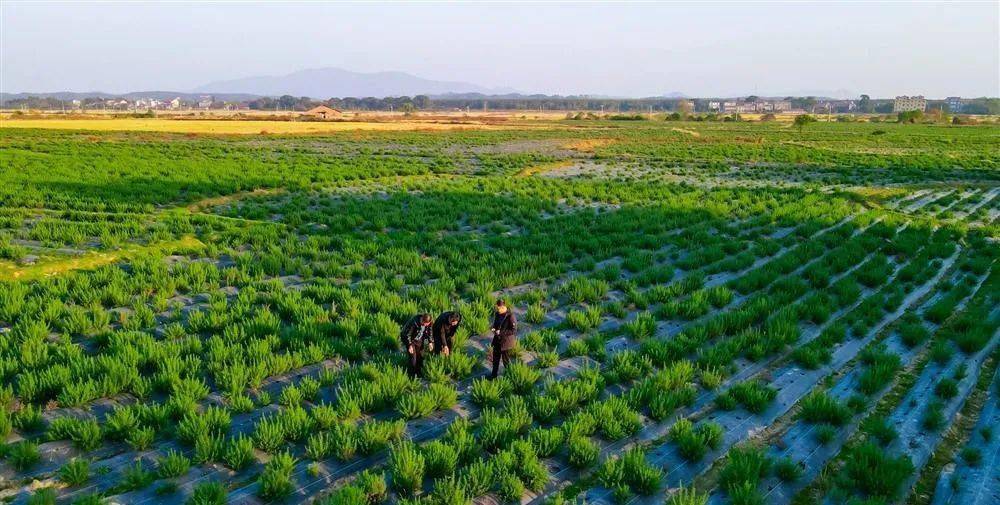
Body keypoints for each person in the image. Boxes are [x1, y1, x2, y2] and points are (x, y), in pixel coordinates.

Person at [489, 299, 518, 379]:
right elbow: (495, 324)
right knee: (495, 359)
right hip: (497, 340)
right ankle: (493, 375)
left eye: (498, 309)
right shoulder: (497, 314)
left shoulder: (510, 316)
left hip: (506, 342)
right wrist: (493, 328)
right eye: (497, 308)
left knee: (506, 360)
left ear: (503, 307)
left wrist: (501, 332)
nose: (497, 310)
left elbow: (514, 330)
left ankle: (510, 375)